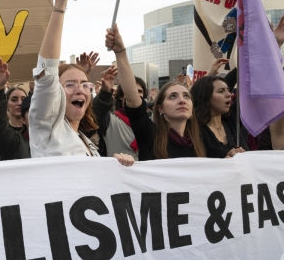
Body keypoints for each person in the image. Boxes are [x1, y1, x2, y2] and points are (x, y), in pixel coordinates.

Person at [28, 0, 134, 167]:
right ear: (54, 94)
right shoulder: (47, 127)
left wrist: (115, 166)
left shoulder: (87, 143)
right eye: (69, 84)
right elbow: (47, 71)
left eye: (85, 84)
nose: (80, 89)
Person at [106, 25, 205, 160]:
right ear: (160, 108)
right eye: (172, 96)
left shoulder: (200, 141)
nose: (181, 100)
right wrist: (120, 52)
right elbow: (132, 96)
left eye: (186, 96)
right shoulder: (150, 134)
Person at [92, 65, 147, 160]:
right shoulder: (109, 120)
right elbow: (91, 120)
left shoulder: (150, 123)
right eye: (131, 91)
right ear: (121, 96)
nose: (136, 95)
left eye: (140, 91)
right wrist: (104, 94)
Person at [190, 74, 248, 158]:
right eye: (221, 91)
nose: (229, 94)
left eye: (228, 90)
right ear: (205, 97)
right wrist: (223, 162)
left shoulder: (231, 121)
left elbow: (248, 92)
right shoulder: (195, 131)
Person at [0, 58, 31, 160]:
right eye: (14, 100)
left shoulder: (37, 134)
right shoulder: (6, 135)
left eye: (23, 99)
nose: (19, 103)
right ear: (6, 105)